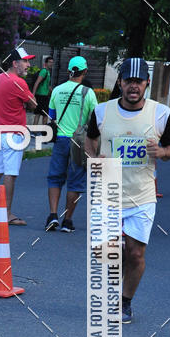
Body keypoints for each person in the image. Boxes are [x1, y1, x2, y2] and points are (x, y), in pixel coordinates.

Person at [85, 57, 170, 324]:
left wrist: (161, 151)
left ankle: (124, 303)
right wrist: (93, 159)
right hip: (108, 192)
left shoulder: (160, 114)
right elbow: (90, 141)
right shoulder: (102, 112)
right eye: (128, 81)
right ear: (120, 83)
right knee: (105, 252)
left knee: (135, 253)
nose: (133, 86)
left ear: (146, 83)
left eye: (138, 81)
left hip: (142, 195)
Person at [45, 56, 98, 232]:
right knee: (75, 181)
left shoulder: (57, 90)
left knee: (55, 177)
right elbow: (95, 119)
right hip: (79, 141)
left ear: (69, 71)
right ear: (84, 72)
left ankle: (53, 215)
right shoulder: (88, 93)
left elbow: (51, 116)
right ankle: (67, 221)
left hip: (60, 138)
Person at [0, 47, 38, 226]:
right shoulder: (19, 83)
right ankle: (6, 213)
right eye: (25, 61)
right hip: (14, 135)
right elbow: (33, 104)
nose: (28, 65)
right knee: (10, 174)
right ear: (15, 63)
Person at [32, 55, 53, 125]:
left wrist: (52, 91)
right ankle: (43, 132)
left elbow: (47, 85)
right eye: (49, 62)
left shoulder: (48, 72)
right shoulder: (44, 71)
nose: (51, 64)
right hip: (41, 96)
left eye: (52, 62)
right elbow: (37, 83)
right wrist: (33, 96)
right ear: (46, 63)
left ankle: (36, 131)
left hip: (44, 96)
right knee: (44, 114)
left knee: (40, 114)